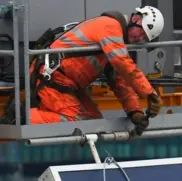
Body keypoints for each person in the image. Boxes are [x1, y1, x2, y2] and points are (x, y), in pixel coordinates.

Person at [26, 6, 164, 135]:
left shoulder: (115, 41)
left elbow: (119, 81)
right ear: (136, 19)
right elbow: (122, 63)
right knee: (77, 122)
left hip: (66, 83)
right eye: (142, 32)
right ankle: (22, 118)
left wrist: (135, 112)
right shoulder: (110, 27)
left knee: (95, 123)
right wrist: (149, 92)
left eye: (145, 38)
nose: (140, 39)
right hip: (53, 77)